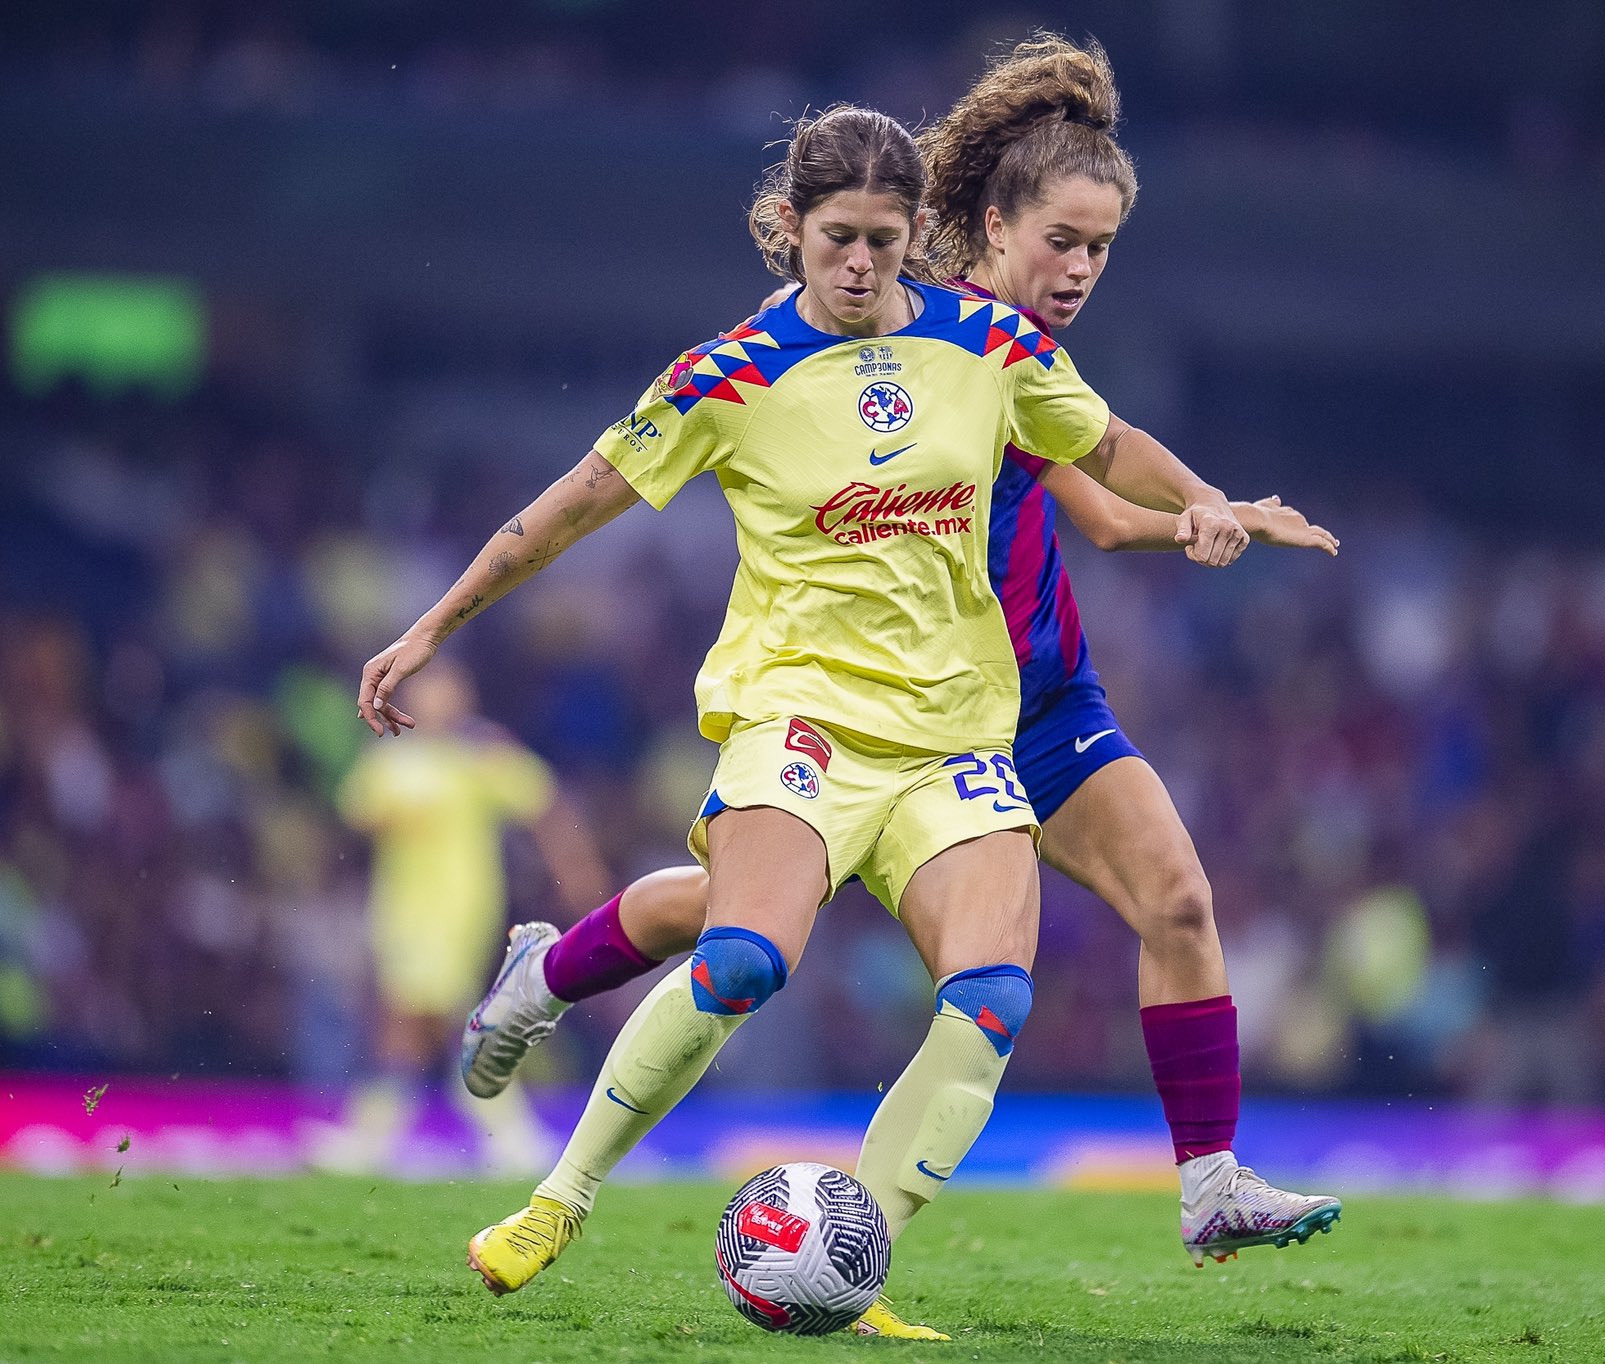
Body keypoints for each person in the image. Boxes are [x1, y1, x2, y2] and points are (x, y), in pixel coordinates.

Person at [457, 37, 1342, 1338]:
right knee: (738, 923)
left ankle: (1202, 1180)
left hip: (1035, 709)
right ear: (991, 232)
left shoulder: (1003, 353)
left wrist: (1202, 516)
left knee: (1175, 899)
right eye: (1064, 244)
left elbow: (1094, 492)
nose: (1082, 272)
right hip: (857, 714)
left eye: (1103, 249)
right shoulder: (909, 334)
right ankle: (553, 983)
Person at [328, 661, 605, 1174]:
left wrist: (578, 874)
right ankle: (503, 1131)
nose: (442, 700)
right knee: (441, 1020)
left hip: (460, 912)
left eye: (451, 689)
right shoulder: (392, 760)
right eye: (431, 691)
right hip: (400, 911)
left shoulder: (482, 757)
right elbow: (357, 816)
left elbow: (545, 804)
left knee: (408, 1019)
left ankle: (375, 1138)